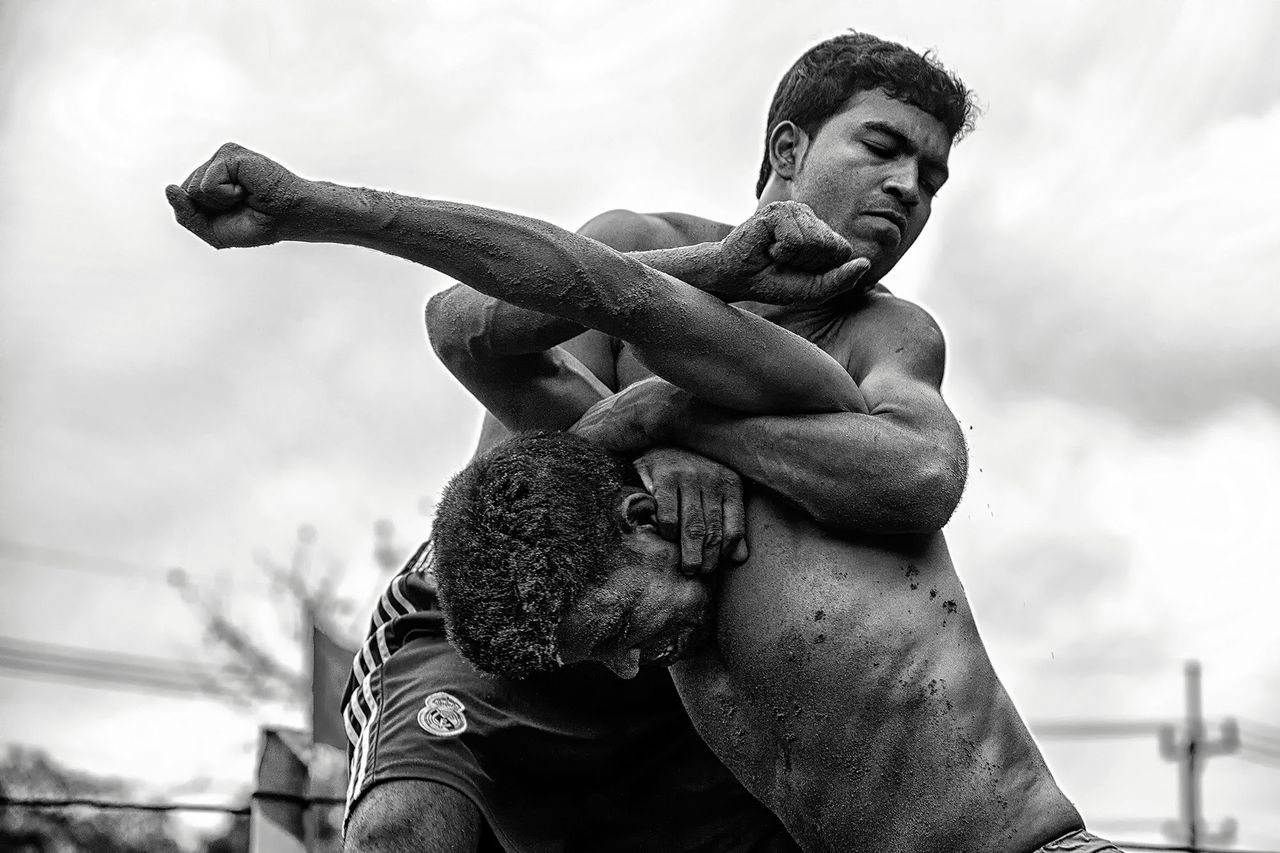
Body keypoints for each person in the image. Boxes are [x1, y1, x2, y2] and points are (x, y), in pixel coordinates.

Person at [166, 31, 1117, 853]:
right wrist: (709, 279)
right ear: (787, 147)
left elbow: (921, 473)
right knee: (403, 825)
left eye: (933, 177)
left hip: (668, 652)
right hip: (518, 612)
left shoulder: (885, 335)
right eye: (883, 146)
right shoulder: (644, 239)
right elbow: (485, 344)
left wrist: (677, 417)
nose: (908, 186)